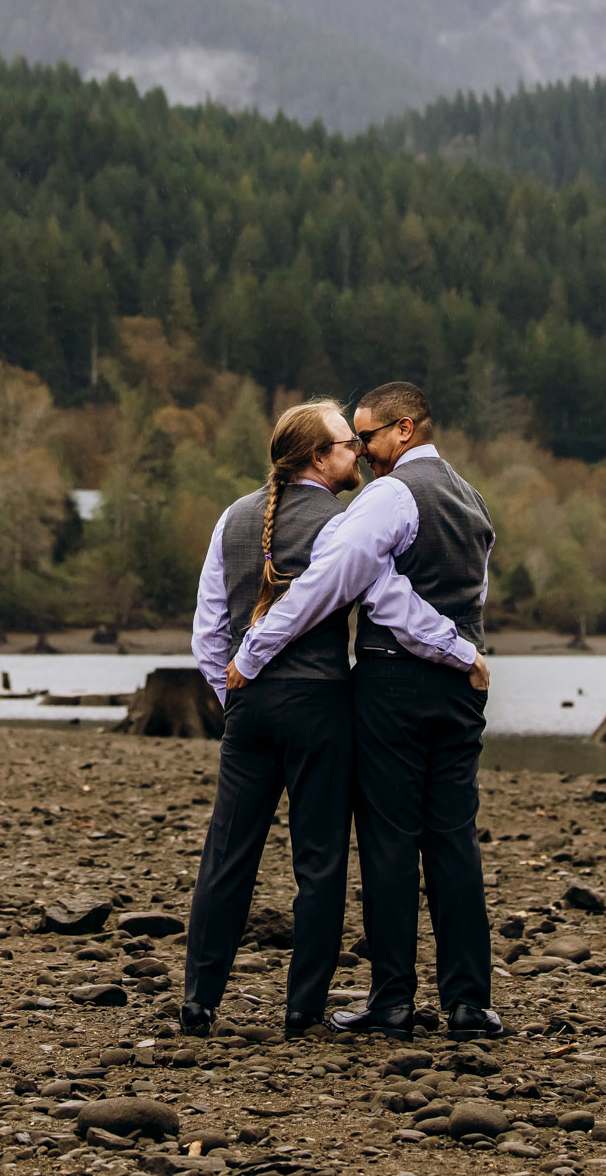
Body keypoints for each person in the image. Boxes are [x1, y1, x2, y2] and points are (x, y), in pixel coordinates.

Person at [232, 380, 500, 1037]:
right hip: (463, 689)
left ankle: (394, 1000)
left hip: (394, 682)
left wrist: (256, 646)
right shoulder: (472, 498)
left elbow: (344, 585)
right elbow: (473, 592)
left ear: (405, 429)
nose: (364, 453)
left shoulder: (390, 497)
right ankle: (468, 1001)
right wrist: (464, 652)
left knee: (388, 840)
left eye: (369, 437)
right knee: (454, 841)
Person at [181, 399, 364, 1039]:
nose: (358, 451)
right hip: (318, 706)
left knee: (227, 856)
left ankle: (200, 1000)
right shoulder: (342, 525)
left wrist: (233, 697)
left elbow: (207, 633)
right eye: (347, 443)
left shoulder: (232, 518)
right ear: (317, 458)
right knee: (319, 862)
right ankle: (302, 1010)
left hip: (249, 706)